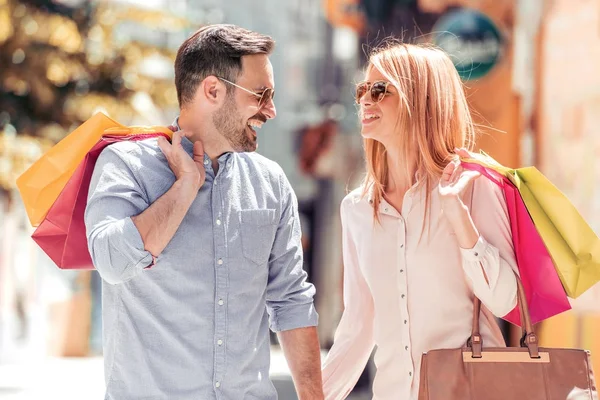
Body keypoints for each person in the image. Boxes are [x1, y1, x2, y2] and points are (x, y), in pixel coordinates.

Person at [85, 24, 323, 400]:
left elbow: (291, 301)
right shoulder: (125, 164)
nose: (271, 110)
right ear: (213, 90)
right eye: (261, 95)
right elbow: (111, 261)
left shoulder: (271, 182)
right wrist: (184, 189)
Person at [321, 42, 519, 400]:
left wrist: (458, 217)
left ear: (421, 99)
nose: (365, 100)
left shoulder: (474, 187)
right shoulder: (357, 209)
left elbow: (506, 301)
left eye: (380, 90)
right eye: (362, 89)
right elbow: (358, 327)